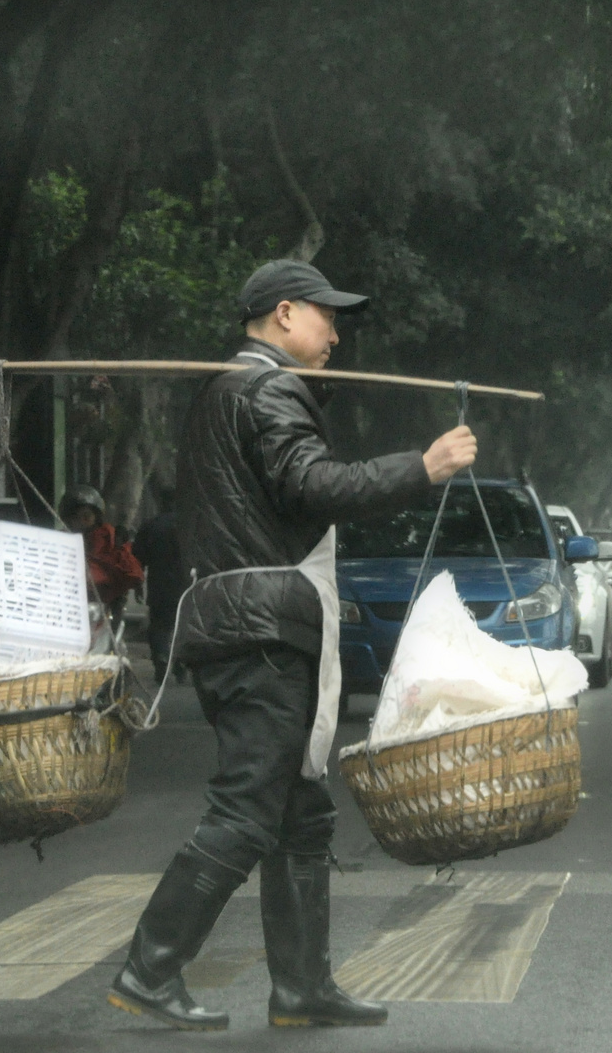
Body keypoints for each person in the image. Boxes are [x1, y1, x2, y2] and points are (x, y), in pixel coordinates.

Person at [106, 259, 479, 1030]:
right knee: (247, 807)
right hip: (261, 631)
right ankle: (150, 966)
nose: (335, 333)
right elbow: (312, 487)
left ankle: (301, 988)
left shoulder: (226, 392)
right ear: (283, 313)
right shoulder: (267, 390)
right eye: (325, 317)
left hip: (242, 621)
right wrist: (424, 466)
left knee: (300, 813)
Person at [60, 484, 143, 614]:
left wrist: (120, 546)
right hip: (66, 603)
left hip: (101, 606)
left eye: (86, 516)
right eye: (75, 517)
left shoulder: (106, 537)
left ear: (96, 517)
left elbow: (131, 573)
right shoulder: (61, 539)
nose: (81, 521)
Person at [131, 490, 183, 675]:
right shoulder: (189, 525)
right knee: (182, 623)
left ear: (162, 503)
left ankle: (161, 655)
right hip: (186, 584)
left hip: (158, 584)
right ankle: (180, 660)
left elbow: (136, 558)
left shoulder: (151, 526)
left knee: (160, 624)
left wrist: (137, 584)